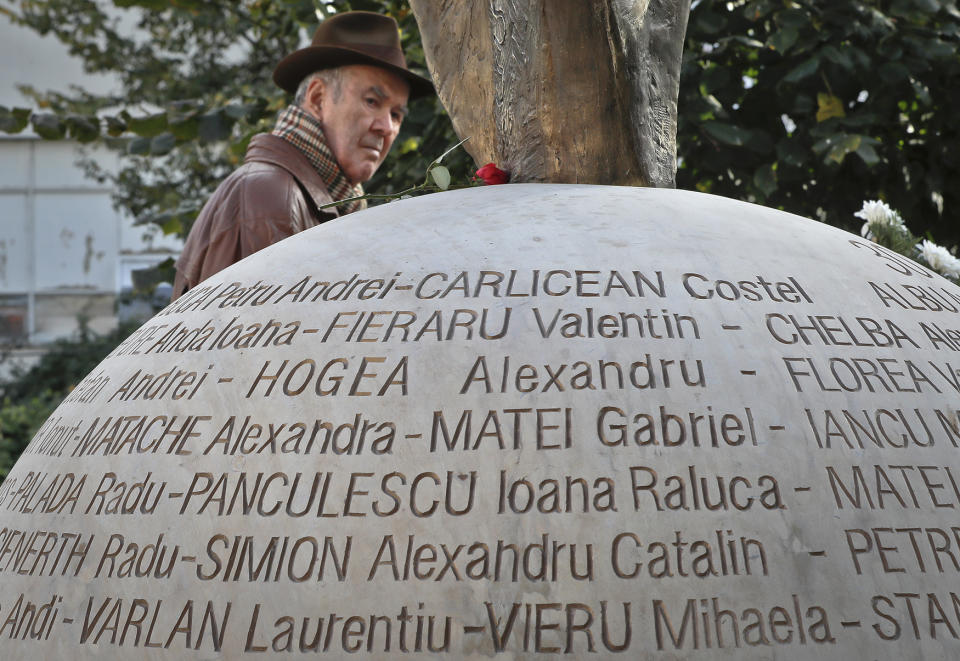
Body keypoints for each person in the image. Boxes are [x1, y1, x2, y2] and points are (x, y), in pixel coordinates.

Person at [171, 11, 433, 300]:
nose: (386, 127)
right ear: (318, 98)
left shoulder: (322, 199)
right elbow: (266, 340)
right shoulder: (269, 194)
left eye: (396, 114)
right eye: (372, 101)